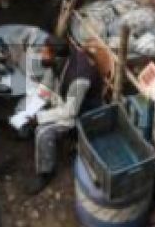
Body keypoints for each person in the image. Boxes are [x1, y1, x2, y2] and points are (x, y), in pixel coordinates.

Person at [23, 36, 99, 195]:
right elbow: (46, 85)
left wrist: (39, 118)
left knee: (43, 132)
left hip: (80, 113)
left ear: (56, 58)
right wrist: (33, 107)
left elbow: (70, 111)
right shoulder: (59, 61)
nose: (42, 56)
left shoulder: (79, 78)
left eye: (45, 53)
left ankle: (46, 173)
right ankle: (26, 127)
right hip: (63, 99)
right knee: (28, 104)